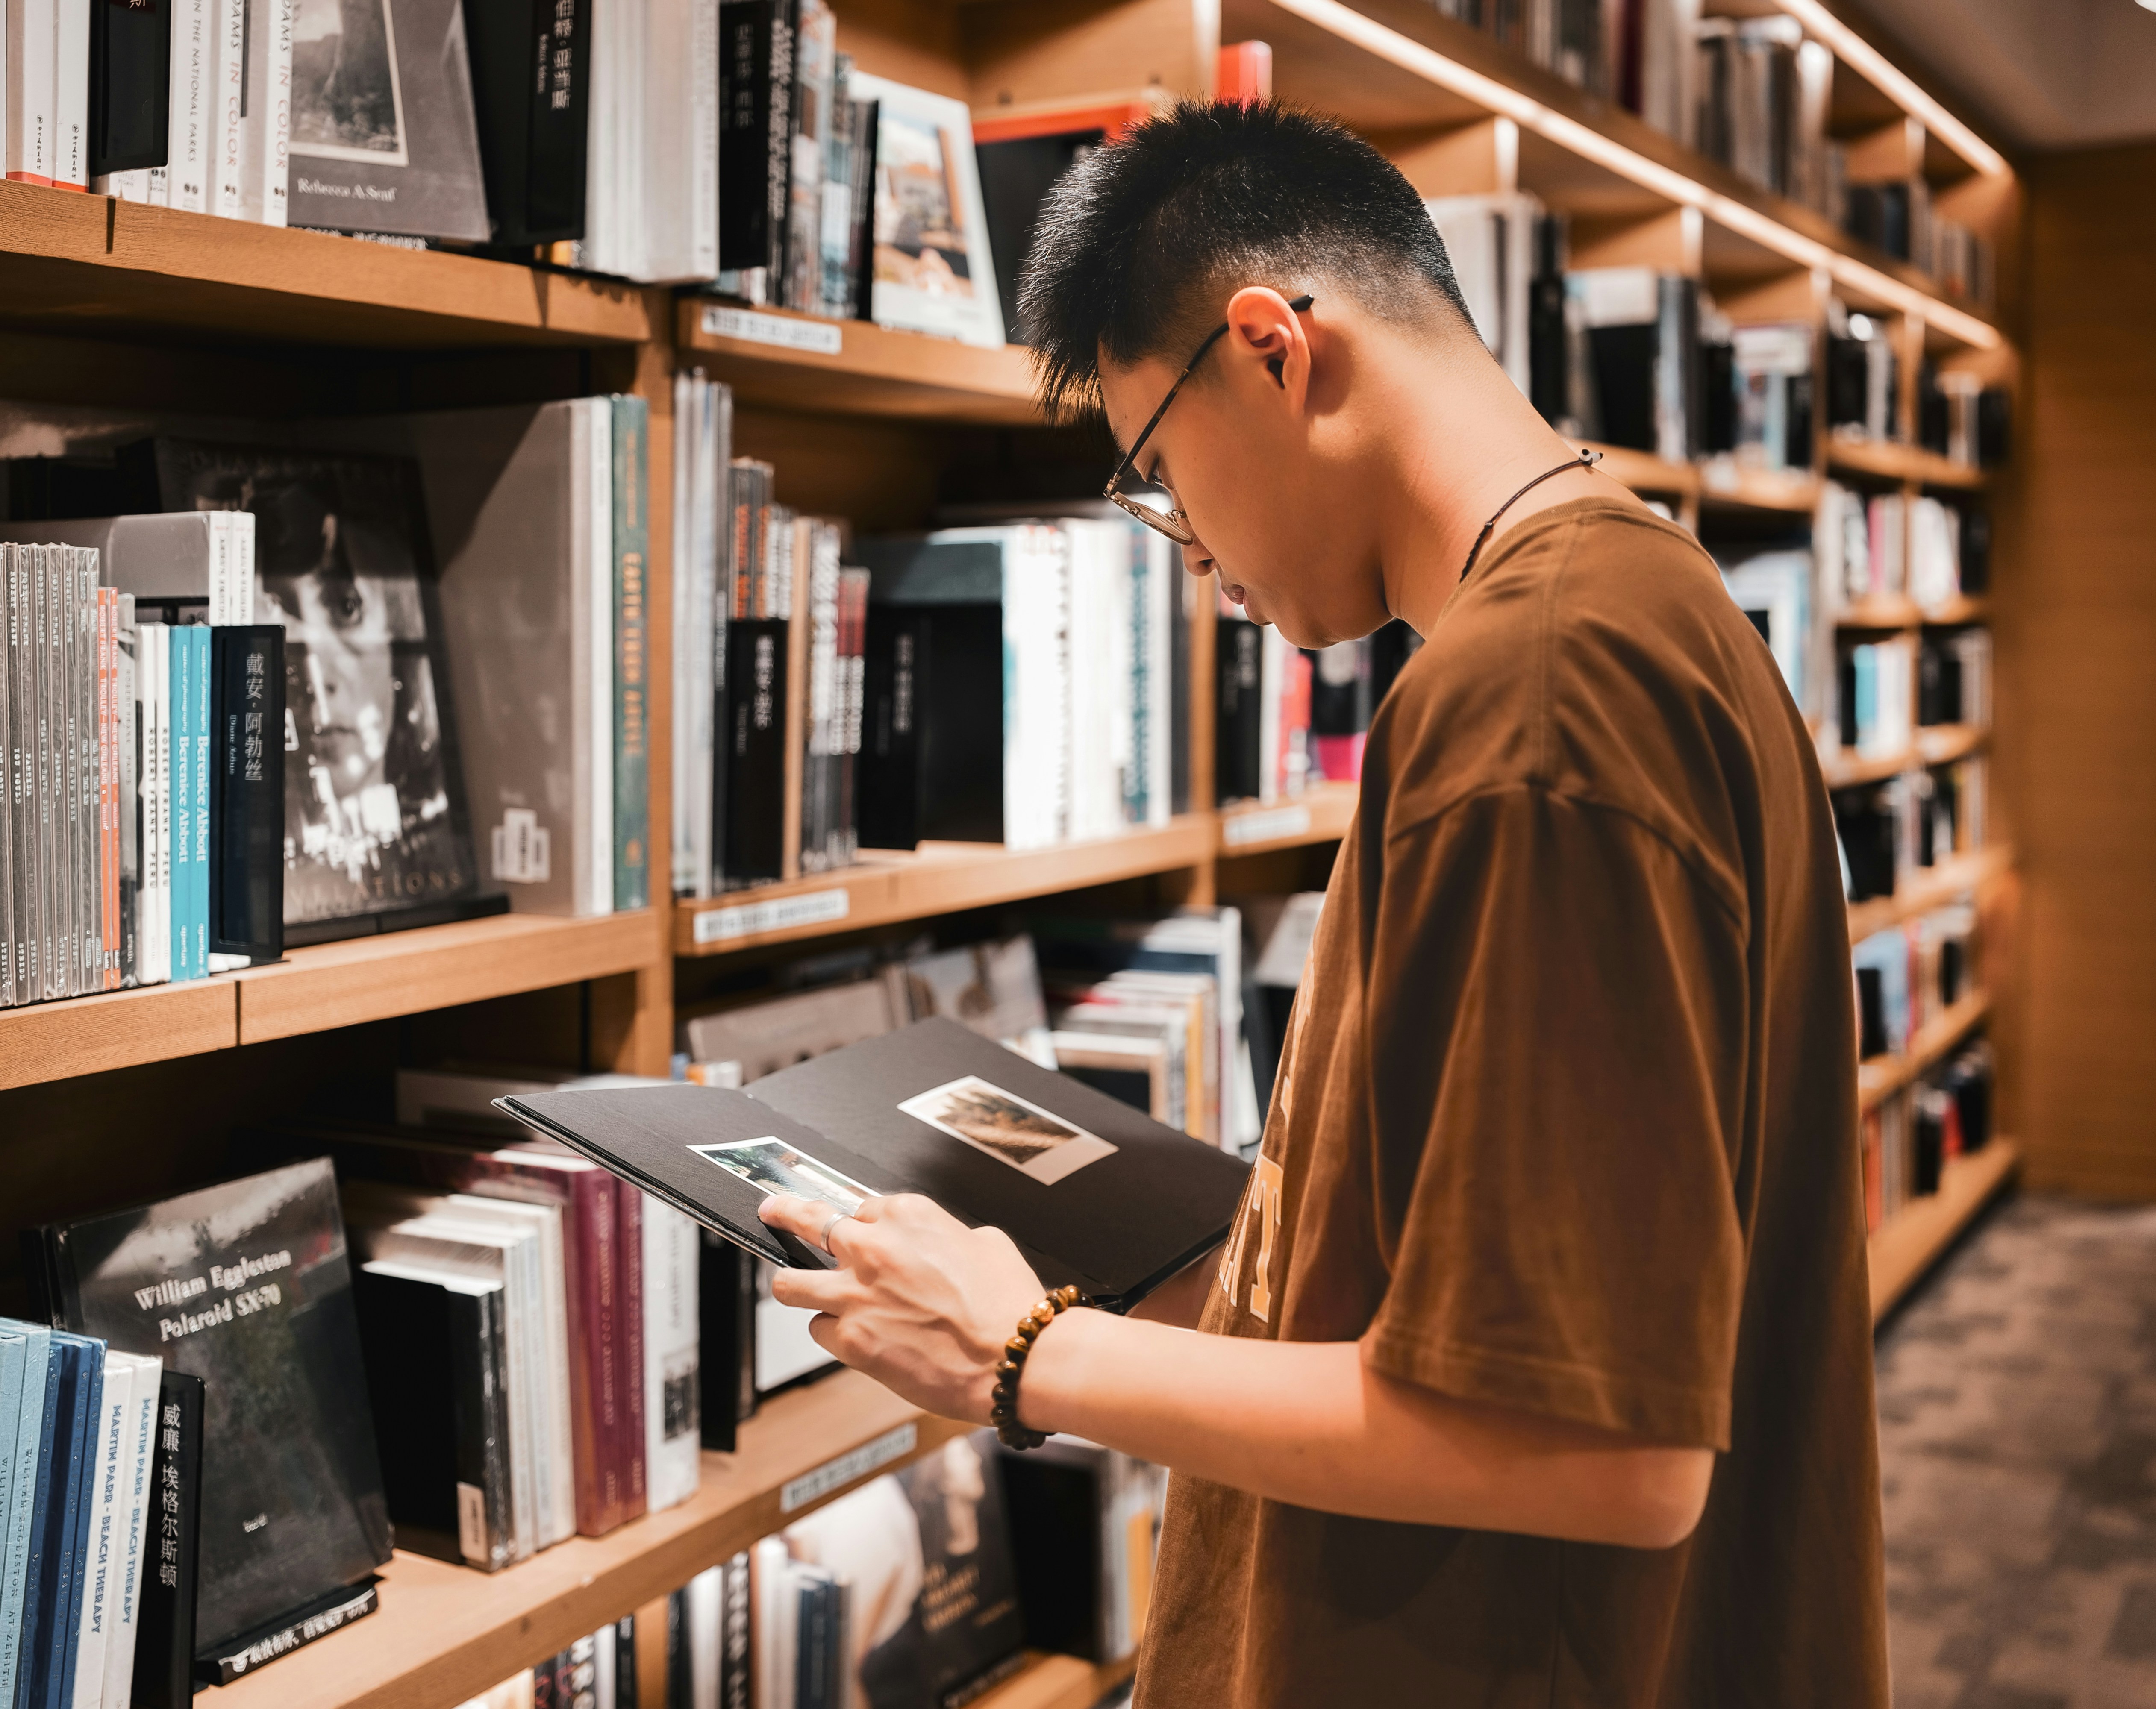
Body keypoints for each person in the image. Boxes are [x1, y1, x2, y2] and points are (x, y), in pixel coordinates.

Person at [757, 101, 1886, 1706]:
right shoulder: (1624, 607)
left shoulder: (1540, 695)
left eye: (1159, 476)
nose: (1190, 551)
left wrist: (1027, 1355)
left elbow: (1606, 1447)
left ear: (1274, 349)